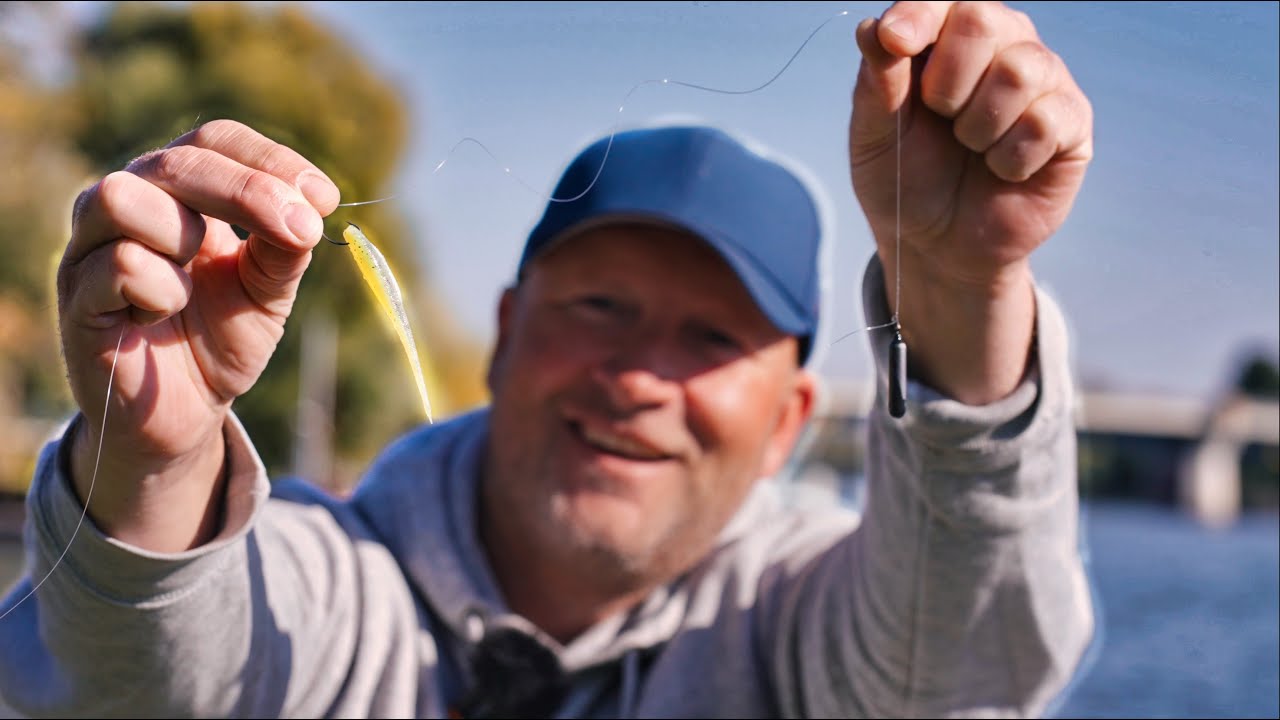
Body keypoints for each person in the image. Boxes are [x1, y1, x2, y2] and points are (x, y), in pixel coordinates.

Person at [0, 2, 1095, 717]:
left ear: (787, 423)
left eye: (712, 338)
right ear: (508, 332)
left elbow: (965, 658)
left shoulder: (802, 622)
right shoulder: (326, 582)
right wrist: (151, 461)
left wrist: (958, 295)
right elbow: (128, 683)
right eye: (600, 305)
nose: (635, 375)